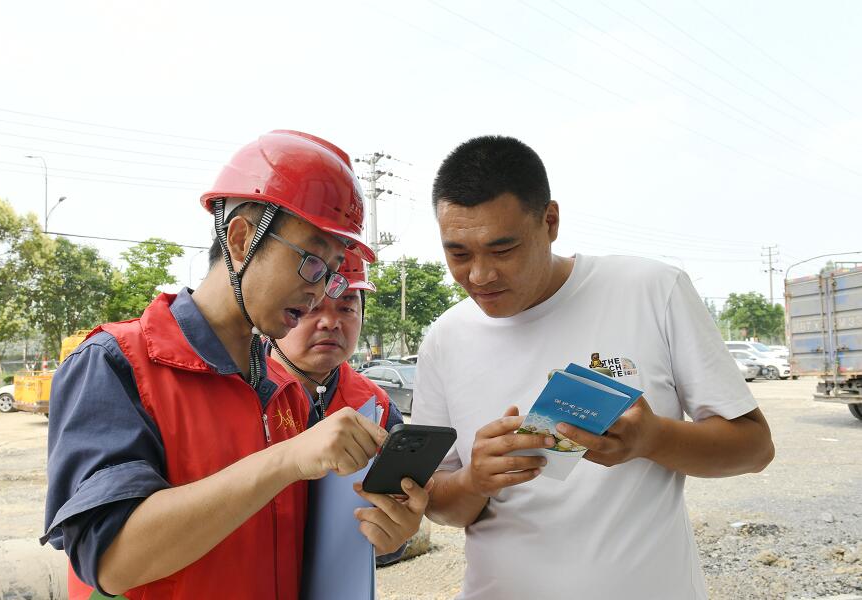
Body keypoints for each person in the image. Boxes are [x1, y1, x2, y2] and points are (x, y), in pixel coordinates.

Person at [412, 135, 775, 599]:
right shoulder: (445, 338)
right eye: (459, 254)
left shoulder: (651, 290)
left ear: (550, 221)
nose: (480, 275)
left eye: (502, 250)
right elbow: (440, 505)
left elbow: (754, 448)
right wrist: (473, 480)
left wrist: (653, 438)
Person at [42, 130, 389, 600]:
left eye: (330, 272)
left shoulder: (284, 391)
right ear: (243, 239)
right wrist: (286, 459)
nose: (318, 290)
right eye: (312, 261)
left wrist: (387, 527)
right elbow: (112, 560)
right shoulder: (116, 364)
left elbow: (313, 544)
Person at [270, 251, 429, 562]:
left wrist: (393, 536)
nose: (331, 322)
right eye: (312, 306)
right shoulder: (239, 388)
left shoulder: (377, 406)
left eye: (346, 307)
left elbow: (387, 529)